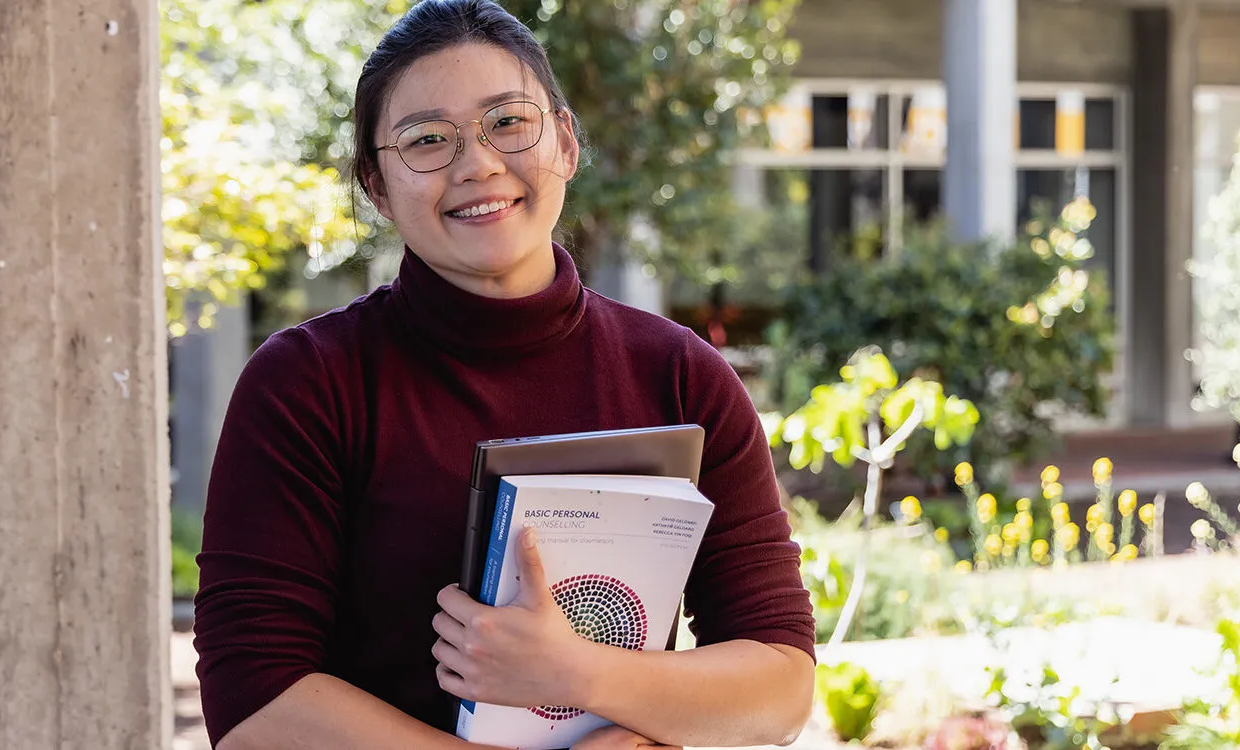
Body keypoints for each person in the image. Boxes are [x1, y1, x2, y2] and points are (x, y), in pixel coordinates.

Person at [192, 2, 817, 748]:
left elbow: (779, 683)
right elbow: (255, 702)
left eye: (508, 123)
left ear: (566, 142)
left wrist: (575, 672)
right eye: (427, 139)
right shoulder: (308, 384)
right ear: (376, 186)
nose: (477, 164)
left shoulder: (682, 377)